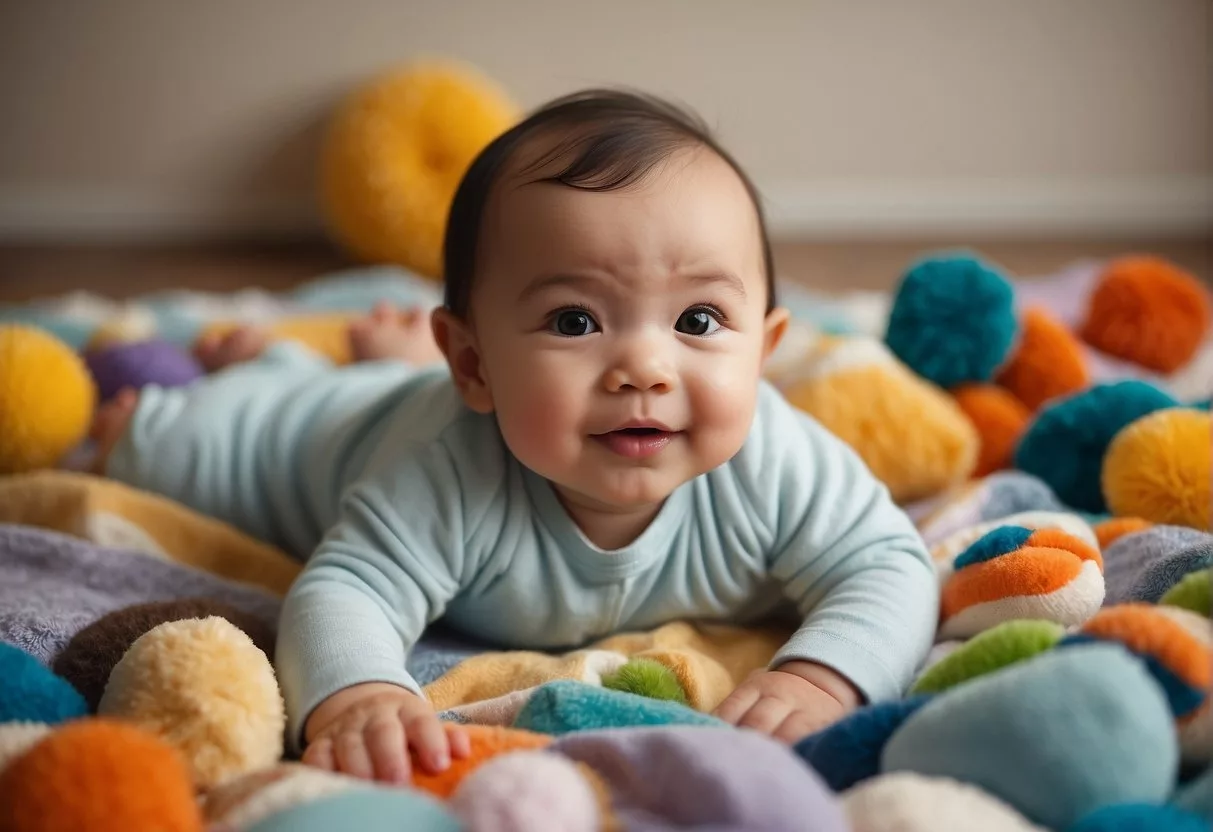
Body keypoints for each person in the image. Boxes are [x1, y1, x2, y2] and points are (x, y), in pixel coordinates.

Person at [91, 89, 937, 785]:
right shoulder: (446, 473)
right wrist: (360, 695)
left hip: (397, 395)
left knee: (369, 387)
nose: (644, 366)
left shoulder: (780, 463)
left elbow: (887, 565)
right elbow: (340, 595)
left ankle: (327, 360)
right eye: (574, 320)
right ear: (472, 363)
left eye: (699, 319)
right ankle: (243, 379)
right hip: (298, 440)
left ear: (764, 353)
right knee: (168, 449)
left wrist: (821, 676)